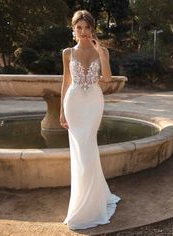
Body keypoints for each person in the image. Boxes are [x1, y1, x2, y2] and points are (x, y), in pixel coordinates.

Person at [60, 10, 121, 230]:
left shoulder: (101, 50)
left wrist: (101, 54)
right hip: (73, 103)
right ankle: (83, 203)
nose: (83, 32)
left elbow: (106, 79)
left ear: (92, 29)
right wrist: (61, 111)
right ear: (73, 29)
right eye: (79, 28)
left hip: (94, 102)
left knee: (87, 150)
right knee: (81, 154)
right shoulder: (67, 53)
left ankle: (90, 206)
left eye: (87, 28)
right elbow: (66, 83)